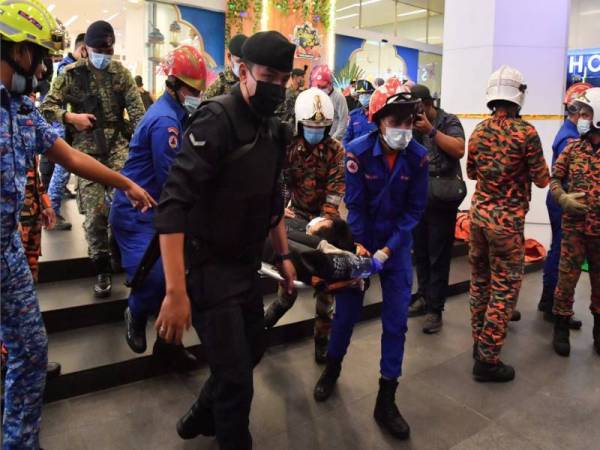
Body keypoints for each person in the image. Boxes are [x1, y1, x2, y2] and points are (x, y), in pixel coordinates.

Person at [0, 2, 155, 447]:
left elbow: (69, 157)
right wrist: (71, 118)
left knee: (31, 353)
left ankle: (21, 442)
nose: (45, 66)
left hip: (8, 250)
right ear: (14, 50)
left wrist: (125, 180)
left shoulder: (18, 108)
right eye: (38, 54)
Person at [152, 31, 296, 450]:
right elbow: (173, 205)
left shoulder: (273, 128)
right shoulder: (217, 119)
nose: (277, 86)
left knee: (252, 350)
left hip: (245, 264)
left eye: (285, 78)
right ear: (242, 71)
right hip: (207, 268)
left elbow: (273, 200)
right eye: (269, 75)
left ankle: (199, 413)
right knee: (236, 383)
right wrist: (175, 291)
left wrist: (284, 256)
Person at [313, 80, 428, 440]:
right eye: (397, 121)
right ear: (379, 120)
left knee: (396, 323)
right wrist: (361, 247)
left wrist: (389, 250)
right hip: (360, 245)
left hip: (395, 249)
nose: (404, 130)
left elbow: (414, 210)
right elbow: (357, 204)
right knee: (345, 316)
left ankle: (386, 398)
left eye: (410, 122)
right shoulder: (357, 152)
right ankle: (331, 369)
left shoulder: (418, 157)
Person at [110, 45, 207, 369]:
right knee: (158, 278)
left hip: (159, 209)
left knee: (182, 276)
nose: (197, 94)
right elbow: (172, 181)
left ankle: (168, 347)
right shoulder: (166, 121)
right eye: (192, 90)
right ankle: (135, 311)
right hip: (138, 213)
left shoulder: (179, 113)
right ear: (175, 85)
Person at [40, 20, 146, 298]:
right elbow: (46, 108)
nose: (105, 53)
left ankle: (126, 258)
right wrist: (70, 117)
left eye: (109, 48)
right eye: (100, 49)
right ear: (86, 49)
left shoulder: (121, 74)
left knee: (127, 204)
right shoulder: (70, 75)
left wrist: (142, 147)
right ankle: (102, 267)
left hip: (117, 146)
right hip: (86, 149)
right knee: (96, 212)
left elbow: (139, 116)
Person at [467, 65, 549, 382]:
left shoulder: (478, 131)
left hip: (477, 218)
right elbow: (542, 180)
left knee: (480, 282)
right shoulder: (526, 133)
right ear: (518, 97)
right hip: (507, 224)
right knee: (504, 288)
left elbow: (472, 172)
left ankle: (479, 342)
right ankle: (488, 360)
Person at [264, 87, 345, 363]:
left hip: (324, 218)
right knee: (289, 271)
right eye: (310, 127)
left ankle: (322, 340)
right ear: (300, 124)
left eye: (321, 128)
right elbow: (281, 180)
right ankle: (274, 313)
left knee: (325, 283)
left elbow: (335, 192)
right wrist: (281, 207)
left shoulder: (335, 150)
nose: (315, 132)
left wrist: (324, 220)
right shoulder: (290, 146)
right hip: (295, 214)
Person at [407, 83, 466, 333]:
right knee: (419, 252)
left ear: (430, 105)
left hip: (442, 199)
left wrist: (431, 131)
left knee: (438, 256)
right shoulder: (411, 124)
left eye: (420, 110)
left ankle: (435, 309)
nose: (417, 115)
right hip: (418, 197)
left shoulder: (448, 121)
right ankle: (423, 295)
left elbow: (459, 149)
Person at [550, 87, 600, 357]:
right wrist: (563, 198)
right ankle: (560, 328)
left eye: (586, 113)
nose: (580, 116)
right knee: (566, 280)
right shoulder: (572, 149)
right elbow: (554, 179)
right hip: (574, 229)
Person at [538, 83, 591, 329]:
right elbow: (562, 176)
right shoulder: (570, 137)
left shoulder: (570, 130)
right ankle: (551, 303)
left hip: (565, 202)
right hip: (564, 203)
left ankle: (547, 301)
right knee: (560, 251)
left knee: (557, 248)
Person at [45, 32, 87, 232]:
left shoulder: (71, 67)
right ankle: (53, 211)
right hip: (62, 124)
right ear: (82, 49)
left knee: (63, 169)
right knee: (62, 169)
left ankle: (53, 208)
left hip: (66, 124)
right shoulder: (67, 69)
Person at [311, 64, 348, 141]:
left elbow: (343, 121)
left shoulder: (339, 97)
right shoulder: (318, 96)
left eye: (323, 87)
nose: (320, 89)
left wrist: (333, 139)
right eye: (319, 86)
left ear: (330, 84)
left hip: (334, 137)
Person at [204, 33, 247, 99]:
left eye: (246, 61)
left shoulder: (252, 78)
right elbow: (204, 102)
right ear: (229, 57)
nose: (243, 66)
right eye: (239, 61)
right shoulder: (221, 82)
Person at [343, 79, 377, 147]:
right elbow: (346, 138)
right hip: (356, 154)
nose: (363, 96)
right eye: (361, 94)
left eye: (366, 94)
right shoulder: (353, 116)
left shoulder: (379, 115)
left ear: (372, 94)